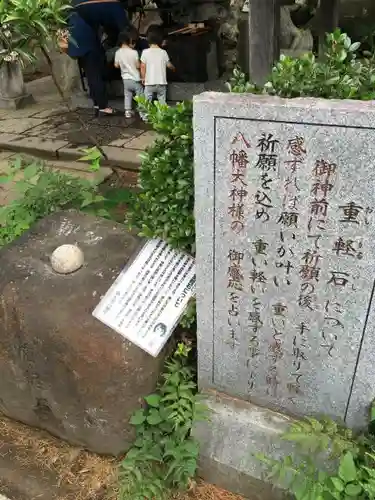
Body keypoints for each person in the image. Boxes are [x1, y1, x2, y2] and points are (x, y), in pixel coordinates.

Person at [67, 11, 119, 116]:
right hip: (89, 46)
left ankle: (97, 104)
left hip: (79, 48)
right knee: (96, 76)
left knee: (91, 75)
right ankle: (103, 106)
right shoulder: (85, 9)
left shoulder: (72, 11)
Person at [140, 27, 175, 104]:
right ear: (161, 40)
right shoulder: (163, 52)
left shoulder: (145, 52)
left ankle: (145, 116)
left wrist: (143, 77)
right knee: (162, 100)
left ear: (147, 39)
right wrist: (173, 68)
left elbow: (142, 66)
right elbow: (169, 65)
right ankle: (162, 114)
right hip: (161, 83)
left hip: (149, 82)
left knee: (147, 101)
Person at [114, 30, 144, 118]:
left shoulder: (117, 52)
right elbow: (138, 65)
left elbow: (116, 65)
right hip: (135, 79)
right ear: (129, 41)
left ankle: (127, 111)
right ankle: (143, 113)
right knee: (140, 96)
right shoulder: (134, 52)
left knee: (127, 95)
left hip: (125, 79)